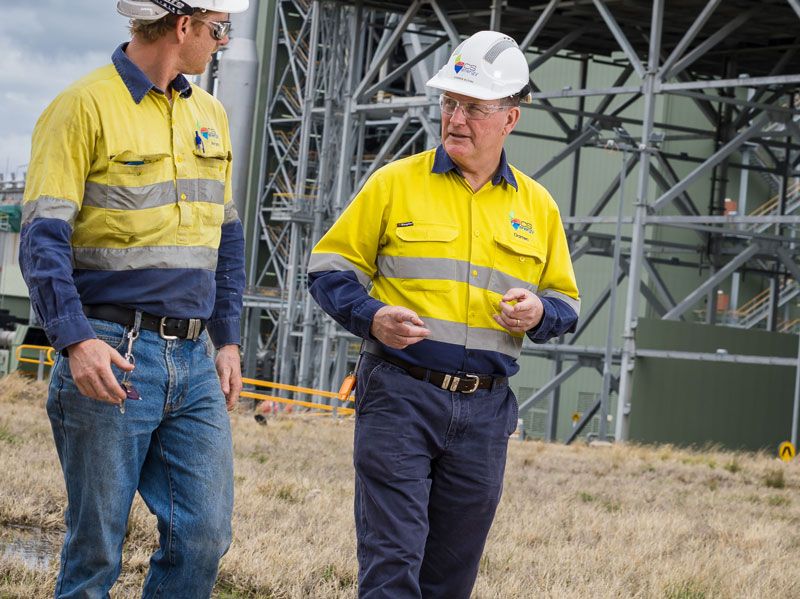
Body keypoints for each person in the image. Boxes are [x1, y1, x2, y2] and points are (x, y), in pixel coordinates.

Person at [308, 30, 580, 598]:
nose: (456, 120)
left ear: (511, 116)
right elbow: (328, 270)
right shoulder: (393, 184)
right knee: (393, 564)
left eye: (474, 109)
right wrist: (372, 316)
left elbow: (566, 303)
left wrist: (538, 312)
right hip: (400, 395)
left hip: (485, 412)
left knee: (450, 580)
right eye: (449, 104)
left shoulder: (538, 206)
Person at [19, 1, 248, 596]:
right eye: (217, 29)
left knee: (203, 535)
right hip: (112, 353)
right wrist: (74, 340)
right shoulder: (82, 107)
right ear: (182, 27)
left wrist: (228, 340)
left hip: (195, 361)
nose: (221, 42)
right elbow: (42, 239)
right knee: (96, 548)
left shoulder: (212, 114)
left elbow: (227, 236)